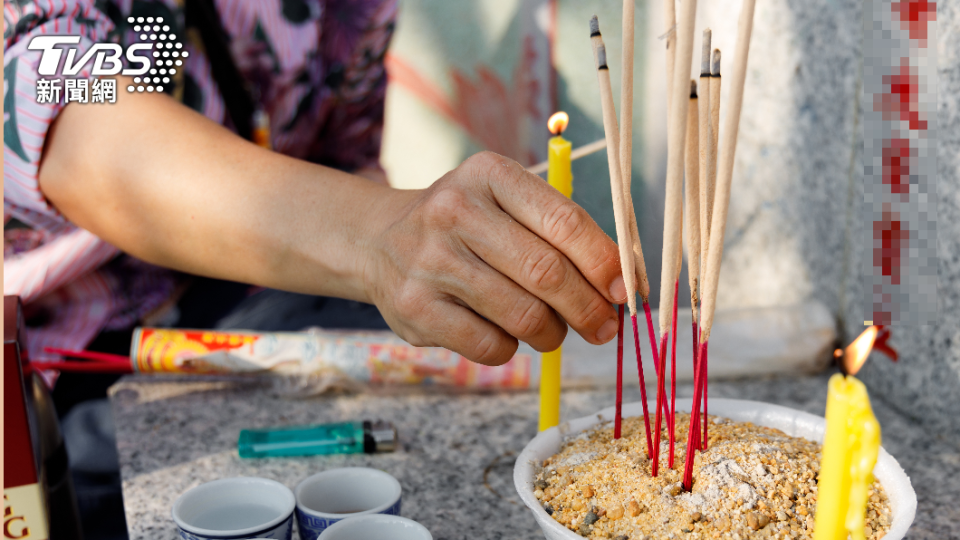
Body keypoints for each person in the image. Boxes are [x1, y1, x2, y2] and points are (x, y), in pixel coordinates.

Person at [6, 2, 627, 536]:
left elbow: (344, 159)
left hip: (282, 304)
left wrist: (427, 258)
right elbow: (66, 116)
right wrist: (380, 238)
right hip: (85, 366)